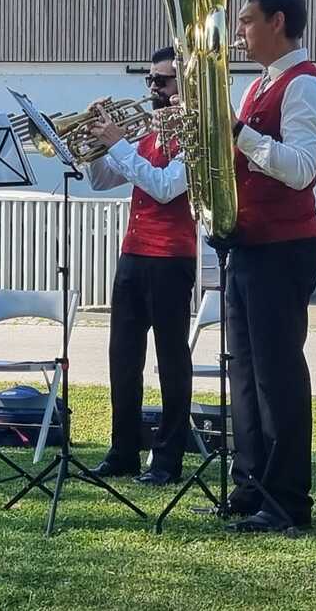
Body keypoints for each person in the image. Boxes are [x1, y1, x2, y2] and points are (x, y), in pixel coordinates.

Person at [224, 0, 316, 532]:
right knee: (245, 373)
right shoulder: (259, 84)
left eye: (247, 20)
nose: (239, 32)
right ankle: (252, 487)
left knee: (278, 375)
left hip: (284, 246)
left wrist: (237, 132)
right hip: (249, 242)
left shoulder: (306, 86)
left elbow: (300, 169)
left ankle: (288, 499)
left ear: (278, 21)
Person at [86, 46, 197, 486]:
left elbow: (166, 187)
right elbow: (101, 180)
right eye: (150, 80)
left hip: (172, 256)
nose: (153, 88)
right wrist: (97, 143)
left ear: (185, 84)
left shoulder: (194, 133)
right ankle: (123, 451)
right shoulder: (148, 132)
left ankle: (168, 460)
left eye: (163, 81)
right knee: (123, 357)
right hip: (133, 253)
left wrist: (118, 143)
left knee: (171, 361)